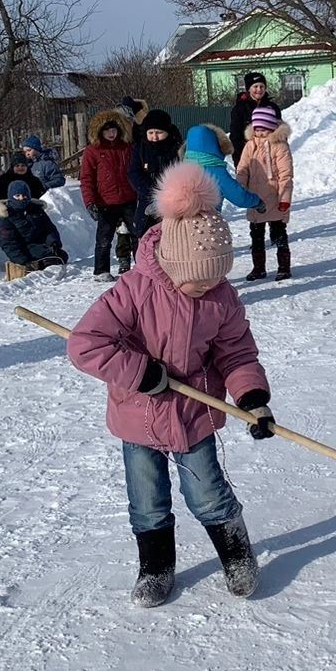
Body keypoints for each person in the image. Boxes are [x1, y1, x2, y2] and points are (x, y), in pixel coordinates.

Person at [66, 162, 276, 608]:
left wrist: (253, 398)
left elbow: (236, 353)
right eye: (197, 282)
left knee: (209, 494)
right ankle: (156, 567)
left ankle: (237, 556)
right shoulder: (133, 291)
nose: (206, 289)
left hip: (192, 416)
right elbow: (86, 344)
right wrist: (139, 372)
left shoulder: (220, 296)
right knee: (148, 502)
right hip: (137, 415)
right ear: (170, 261)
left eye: (216, 279)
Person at [234, 105, 294, 281]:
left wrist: (285, 198)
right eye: (257, 129)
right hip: (255, 198)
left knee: (278, 233)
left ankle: (284, 267)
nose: (259, 133)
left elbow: (286, 175)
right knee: (256, 236)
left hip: (275, 197)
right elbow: (242, 169)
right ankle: (258, 268)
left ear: (272, 128)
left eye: (264, 130)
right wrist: (240, 189)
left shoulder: (279, 146)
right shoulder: (249, 146)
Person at [81, 108, 138, 281]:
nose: (111, 134)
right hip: (106, 201)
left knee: (138, 235)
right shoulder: (93, 151)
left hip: (130, 198)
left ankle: (142, 267)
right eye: (107, 130)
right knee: (104, 238)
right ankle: (101, 271)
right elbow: (86, 178)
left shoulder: (127, 147)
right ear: (100, 131)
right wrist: (90, 202)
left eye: (114, 130)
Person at [121, 102, 184, 236]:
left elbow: (184, 173)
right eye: (151, 133)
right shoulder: (140, 149)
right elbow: (134, 173)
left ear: (167, 131)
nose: (154, 137)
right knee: (145, 236)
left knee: (174, 235)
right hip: (147, 200)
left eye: (159, 132)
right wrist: (152, 192)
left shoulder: (177, 148)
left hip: (173, 200)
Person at [184, 124, 264, 213]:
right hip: (205, 221)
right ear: (215, 146)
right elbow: (237, 195)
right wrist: (257, 202)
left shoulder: (180, 169)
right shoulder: (214, 171)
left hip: (177, 221)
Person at [0, 181, 68, 270]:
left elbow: (49, 228)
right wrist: (23, 261)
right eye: (17, 196)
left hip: (40, 245)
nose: (21, 199)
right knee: (48, 260)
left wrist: (53, 242)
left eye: (24, 196)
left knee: (61, 255)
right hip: (24, 250)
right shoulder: (6, 215)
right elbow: (8, 243)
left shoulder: (35, 209)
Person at [228, 72, 280, 147]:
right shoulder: (240, 108)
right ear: (249, 89)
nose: (259, 89)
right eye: (255, 86)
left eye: (262, 86)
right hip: (248, 151)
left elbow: (278, 128)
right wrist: (241, 155)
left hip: (270, 150)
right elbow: (235, 135)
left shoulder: (272, 107)